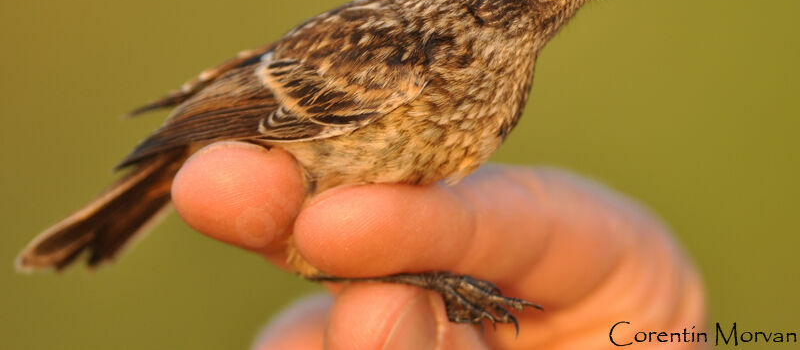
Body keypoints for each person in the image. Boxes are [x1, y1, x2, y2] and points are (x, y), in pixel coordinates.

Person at [172, 142, 706, 349]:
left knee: (357, 241)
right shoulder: (408, 66)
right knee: (336, 239)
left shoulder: (481, 86)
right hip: (264, 162)